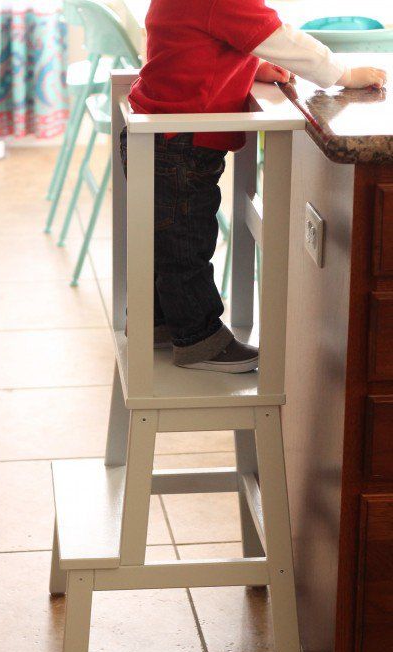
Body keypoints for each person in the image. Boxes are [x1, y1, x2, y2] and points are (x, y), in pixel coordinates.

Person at [121, 0, 387, 373]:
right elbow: (280, 38)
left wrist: (252, 66)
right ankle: (198, 340)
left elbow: (191, 45)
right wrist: (342, 74)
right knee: (185, 246)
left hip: (162, 136)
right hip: (178, 144)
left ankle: (158, 321)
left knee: (166, 240)